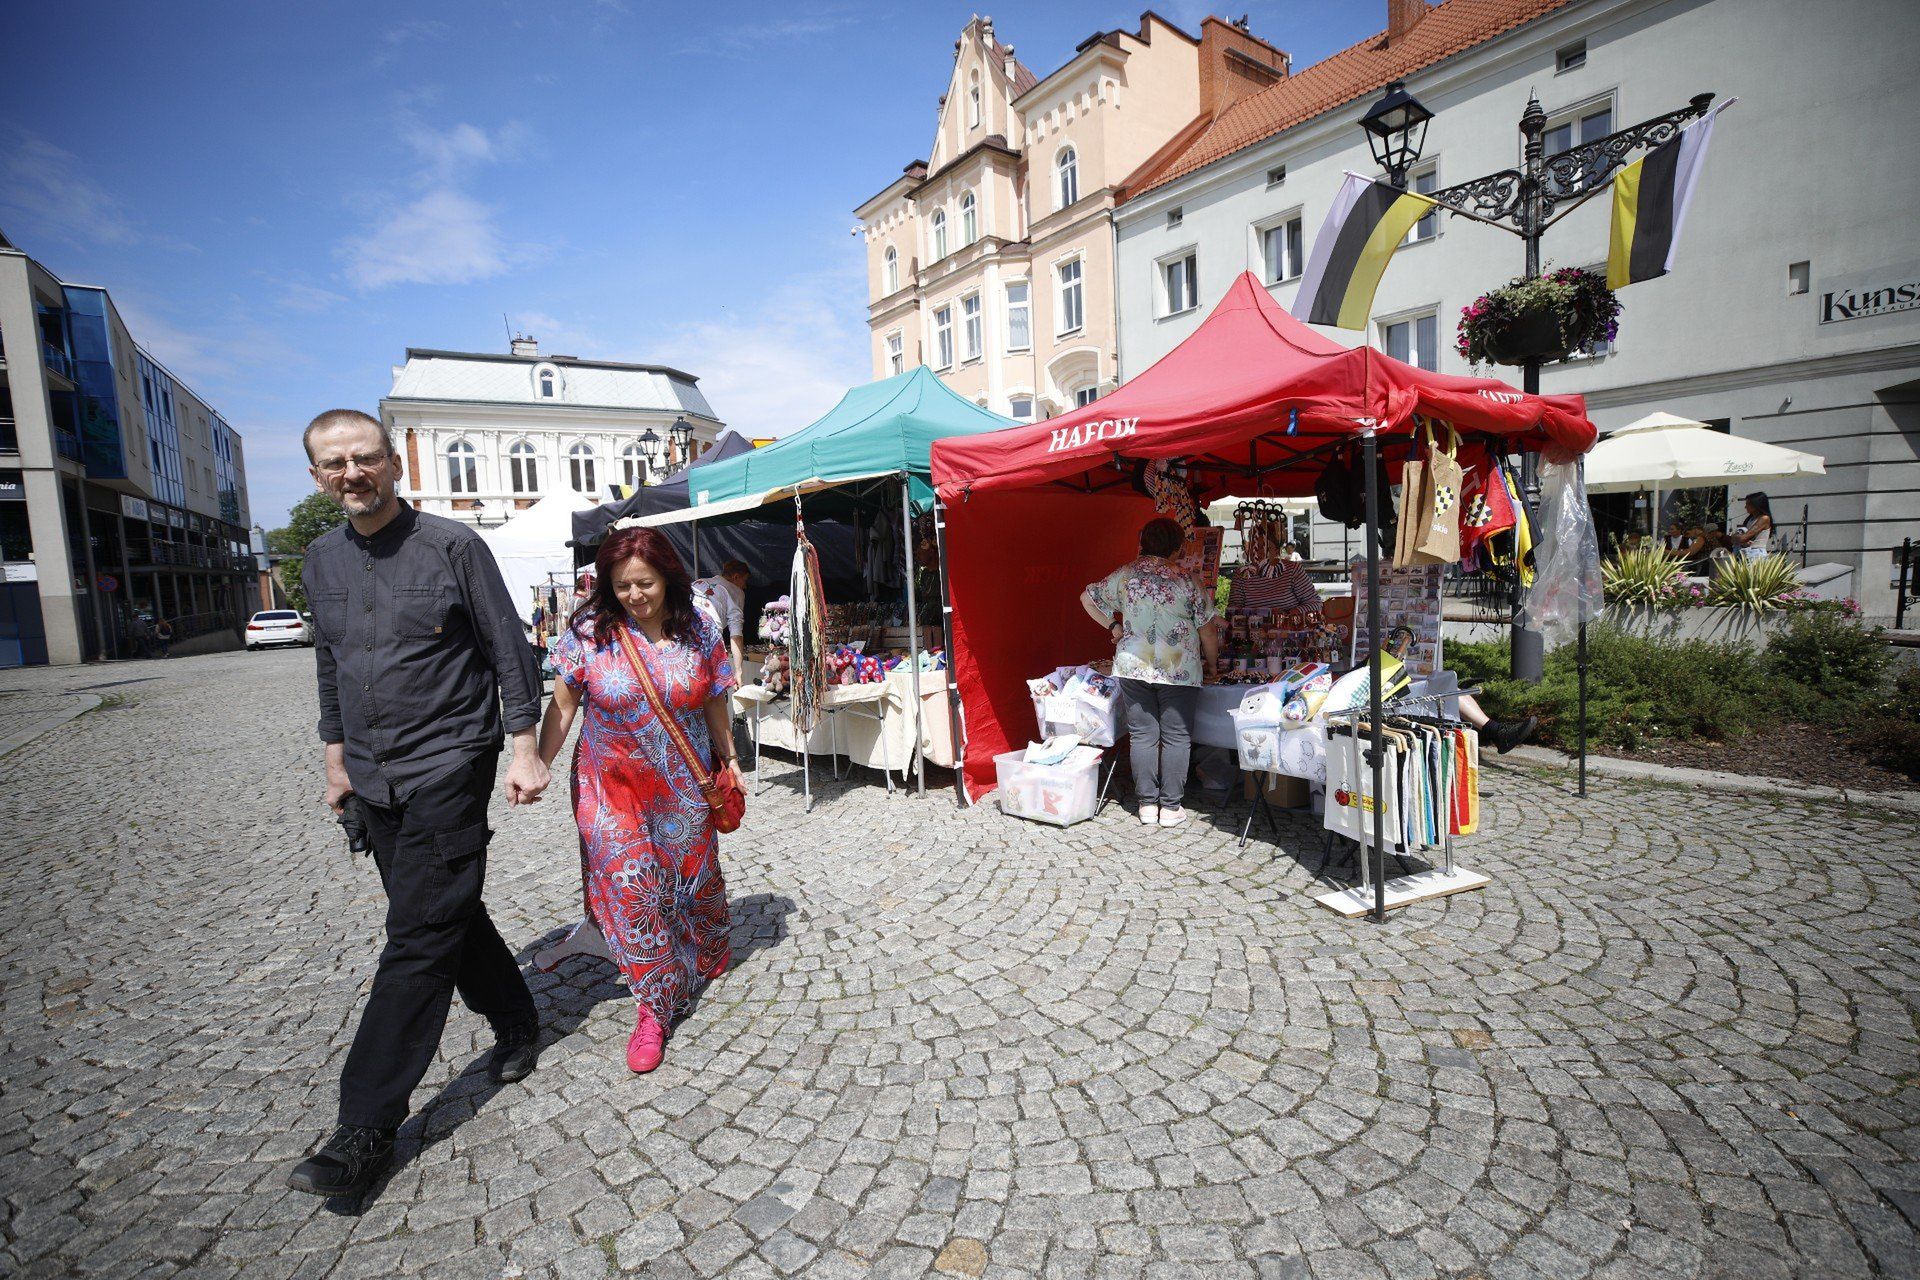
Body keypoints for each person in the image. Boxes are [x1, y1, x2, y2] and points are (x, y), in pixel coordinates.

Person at [286, 409, 547, 1199]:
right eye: (334, 464)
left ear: (393, 463)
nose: (351, 474)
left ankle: (364, 1126)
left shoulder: (453, 546)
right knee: (447, 913)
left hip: (448, 764)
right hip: (372, 775)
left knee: (417, 934)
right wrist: (336, 759)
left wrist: (525, 746)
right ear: (316, 476)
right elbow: (330, 665)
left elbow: (510, 648)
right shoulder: (321, 560)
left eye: (365, 458)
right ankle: (519, 1018)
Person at [537, 523, 740, 1074]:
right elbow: (562, 706)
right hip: (609, 787)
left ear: (667, 578)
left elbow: (716, 700)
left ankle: (711, 942)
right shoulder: (590, 630)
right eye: (623, 585)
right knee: (635, 892)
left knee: (695, 880)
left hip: (684, 782)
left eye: (645, 583)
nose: (635, 596)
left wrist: (732, 761)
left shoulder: (700, 626)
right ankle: (656, 1005)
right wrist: (536, 760)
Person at [1080, 517, 1220, 828]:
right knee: (1176, 735)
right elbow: (1209, 632)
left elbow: (1087, 599)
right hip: (1178, 669)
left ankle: (1146, 805)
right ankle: (1170, 808)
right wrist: (1212, 664)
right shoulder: (1186, 580)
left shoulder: (1126, 574)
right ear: (1177, 546)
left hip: (1134, 665)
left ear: (1144, 542)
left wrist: (1113, 625)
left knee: (1143, 734)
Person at [692, 558, 751, 677]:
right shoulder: (736, 592)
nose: (745, 586)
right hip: (706, 639)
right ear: (736, 577)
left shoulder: (699, 582)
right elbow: (736, 635)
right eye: (745, 581)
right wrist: (738, 671)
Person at [1731, 493, 1773, 559]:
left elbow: (1743, 538)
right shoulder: (1749, 519)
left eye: (1747, 504)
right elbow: (1736, 538)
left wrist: (1735, 537)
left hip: (1757, 554)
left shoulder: (1764, 518)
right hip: (1746, 553)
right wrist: (1737, 538)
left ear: (1756, 505)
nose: (1745, 507)